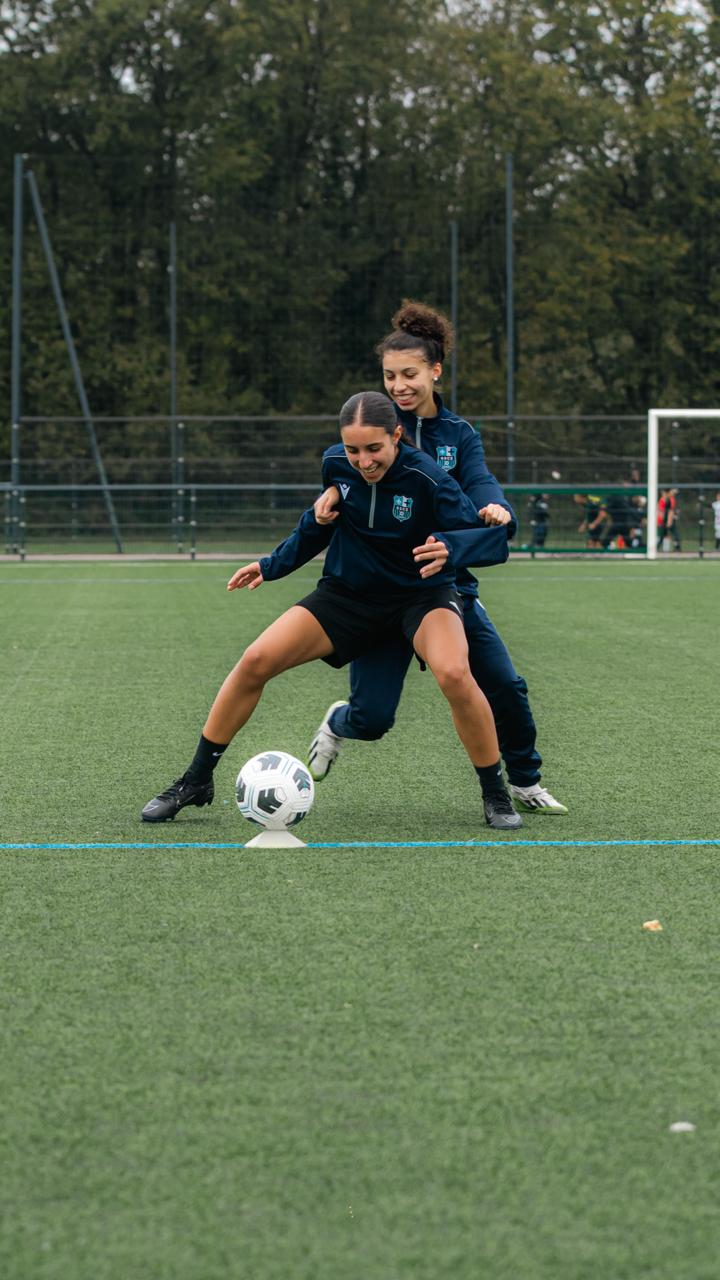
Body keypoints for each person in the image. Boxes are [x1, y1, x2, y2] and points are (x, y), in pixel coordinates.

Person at [142, 390, 523, 830]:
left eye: (375, 449)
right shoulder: (335, 466)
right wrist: (272, 564)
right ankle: (195, 780)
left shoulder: (430, 478)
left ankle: (496, 795)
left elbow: (493, 541)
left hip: (421, 597)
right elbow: (319, 522)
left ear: (397, 435)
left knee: (456, 674)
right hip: (349, 596)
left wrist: (452, 547)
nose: (363, 461)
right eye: (353, 449)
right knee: (255, 661)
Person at [308, 301, 567, 815]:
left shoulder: (459, 435)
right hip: (381, 592)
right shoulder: (379, 428)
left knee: (504, 685)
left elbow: (479, 482)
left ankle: (524, 782)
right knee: (372, 718)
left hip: (446, 588)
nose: (399, 386)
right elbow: (345, 467)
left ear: (435, 371)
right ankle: (340, 722)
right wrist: (327, 500)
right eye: (390, 376)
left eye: (409, 374)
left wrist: (496, 507)